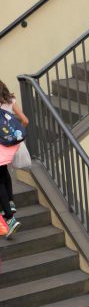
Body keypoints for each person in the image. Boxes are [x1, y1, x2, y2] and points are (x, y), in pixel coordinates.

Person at [0, 80, 28, 239]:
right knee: (4, 173)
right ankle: (9, 203)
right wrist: (15, 138)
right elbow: (25, 120)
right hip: (11, 147)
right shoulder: (10, 101)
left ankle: (10, 218)